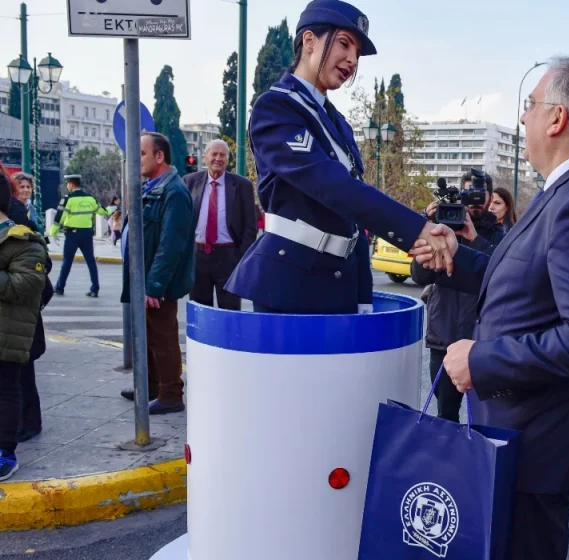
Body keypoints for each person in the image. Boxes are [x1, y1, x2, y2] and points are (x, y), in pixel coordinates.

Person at [413, 55, 569, 559]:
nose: (522, 117)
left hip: (537, 444)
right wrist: (460, 255)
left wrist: (482, 360)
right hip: (524, 432)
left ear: (558, 119)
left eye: (530, 105)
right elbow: (530, 281)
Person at [224, 0, 453, 315]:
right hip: (289, 284)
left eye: (356, 53)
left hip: (337, 283)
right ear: (309, 41)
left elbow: (352, 217)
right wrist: (414, 230)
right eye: (344, 44)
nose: (351, 60)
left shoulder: (336, 122)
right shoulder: (276, 108)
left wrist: (362, 300)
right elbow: (333, 187)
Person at [411, 171, 505, 422]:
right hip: (445, 338)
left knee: (488, 419)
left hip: (485, 343)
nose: (473, 202)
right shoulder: (439, 228)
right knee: (446, 416)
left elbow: (506, 273)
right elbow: (420, 276)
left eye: (479, 194)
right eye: (467, 195)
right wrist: (426, 227)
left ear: (488, 196)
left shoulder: (501, 234)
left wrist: (473, 238)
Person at [119, 132, 195, 415]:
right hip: (145, 279)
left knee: (162, 337)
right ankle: (150, 388)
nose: (135, 159)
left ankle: (171, 394)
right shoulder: (152, 186)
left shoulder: (173, 191)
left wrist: (155, 284)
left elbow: (171, 244)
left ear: (159, 156)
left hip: (156, 282)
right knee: (148, 336)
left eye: (141, 153)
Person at [0, 169, 48, 481]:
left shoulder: (23, 239)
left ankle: (6, 453)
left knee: (7, 390)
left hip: (8, 335)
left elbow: (26, 284)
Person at [185, 139, 258, 311]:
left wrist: (240, 258)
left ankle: (230, 339)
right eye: (214, 154)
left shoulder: (242, 186)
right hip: (198, 257)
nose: (218, 158)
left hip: (229, 258)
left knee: (231, 312)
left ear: (228, 159)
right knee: (200, 311)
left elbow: (250, 226)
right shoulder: (189, 182)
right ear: (205, 157)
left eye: (223, 155)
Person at [49, 175, 110, 297]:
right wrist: (111, 210)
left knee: (67, 261)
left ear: (71, 184)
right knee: (90, 261)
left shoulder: (68, 199)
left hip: (72, 235)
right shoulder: (90, 198)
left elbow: (60, 216)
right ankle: (95, 288)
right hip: (87, 234)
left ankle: (60, 287)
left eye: (67, 184)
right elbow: (102, 211)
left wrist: (52, 232)